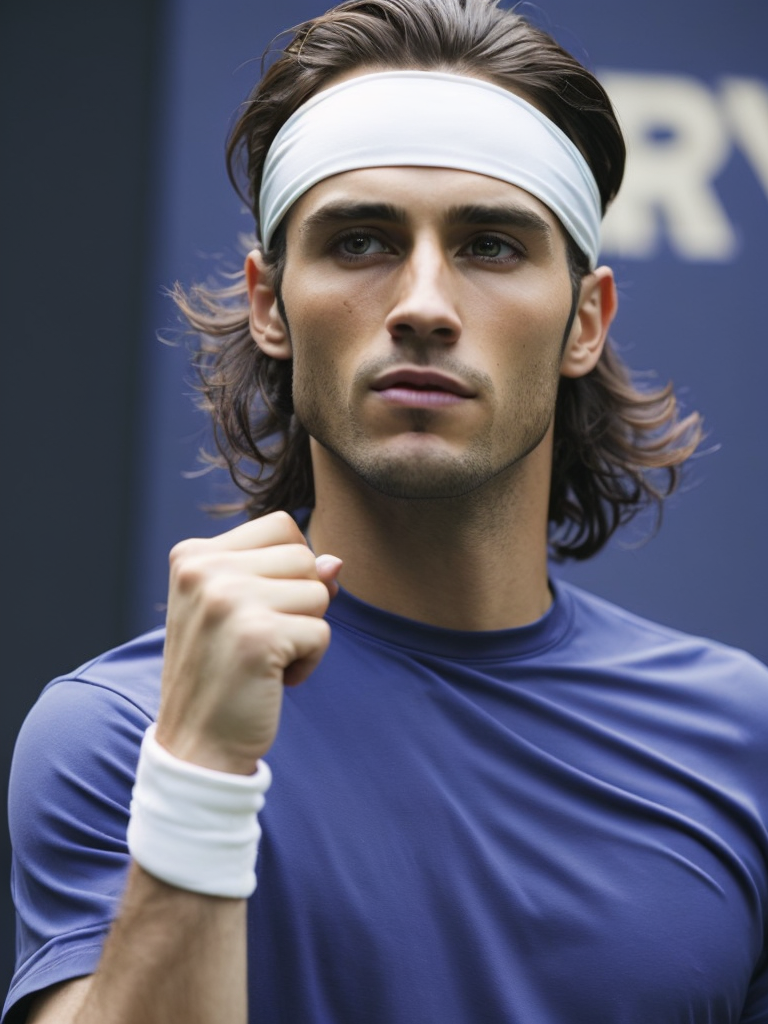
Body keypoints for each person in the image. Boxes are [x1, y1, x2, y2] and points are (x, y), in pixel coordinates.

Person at [5, 0, 768, 1021]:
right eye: (360, 240)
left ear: (586, 319)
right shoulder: (123, 735)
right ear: (271, 303)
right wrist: (202, 772)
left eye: (492, 245)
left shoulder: (740, 735)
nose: (422, 302)